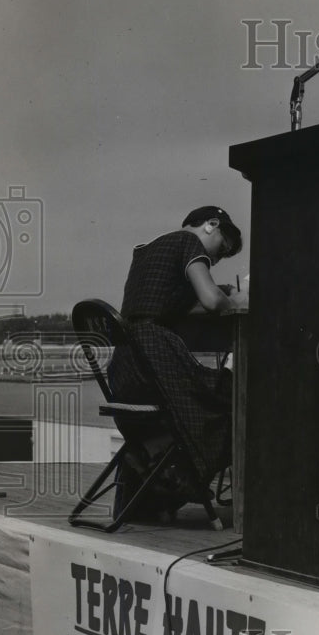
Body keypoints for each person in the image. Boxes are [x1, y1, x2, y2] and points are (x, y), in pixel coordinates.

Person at [107, 206, 249, 514]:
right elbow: (211, 300)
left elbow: (173, 303)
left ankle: (158, 475)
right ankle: (185, 480)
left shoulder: (146, 251)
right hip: (155, 358)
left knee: (214, 397)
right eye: (221, 250)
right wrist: (236, 299)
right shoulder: (189, 243)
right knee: (232, 399)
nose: (215, 260)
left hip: (126, 368)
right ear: (211, 225)